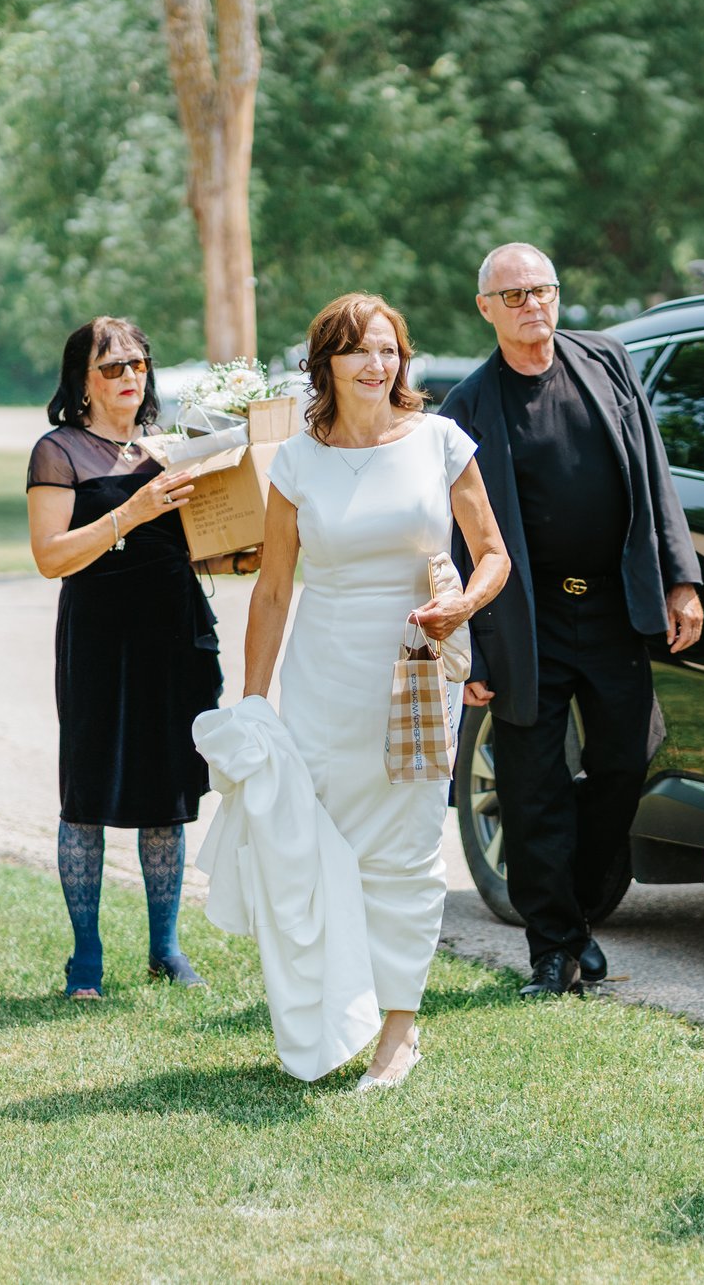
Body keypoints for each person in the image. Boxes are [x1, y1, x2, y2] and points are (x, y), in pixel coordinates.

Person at [231, 293, 508, 1087]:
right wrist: (254, 702)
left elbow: (493, 553)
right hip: (322, 674)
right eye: (358, 350)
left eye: (389, 350)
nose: (377, 364)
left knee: (406, 847)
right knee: (321, 844)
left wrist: (463, 605)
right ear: (326, 363)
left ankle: (398, 1028)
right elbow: (273, 589)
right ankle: (334, 1010)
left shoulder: (441, 442)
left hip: (415, 667)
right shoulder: (296, 460)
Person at [440, 243, 704, 998]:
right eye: (514, 295)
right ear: (485, 308)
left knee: (625, 761)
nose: (533, 305)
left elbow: (652, 472)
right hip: (526, 618)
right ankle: (552, 949)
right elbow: (456, 538)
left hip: (615, 606)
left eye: (542, 290)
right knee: (531, 785)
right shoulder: (468, 406)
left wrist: (681, 578)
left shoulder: (607, 362)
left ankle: (576, 913)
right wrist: (472, 648)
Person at [25, 316, 223, 1000]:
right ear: (81, 381)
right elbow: (51, 557)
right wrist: (130, 512)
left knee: (165, 793)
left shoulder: (169, 448)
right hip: (99, 639)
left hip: (173, 634)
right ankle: (86, 955)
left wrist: (240, 549)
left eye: (138, 364)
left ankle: (165, 947)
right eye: (112, 367)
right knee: (87, 794)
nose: (129, 377)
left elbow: (189, 544)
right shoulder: (59, 452)